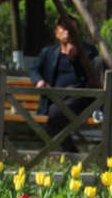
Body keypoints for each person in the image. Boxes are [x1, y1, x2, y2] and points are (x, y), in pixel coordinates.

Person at [30, 14, 101, 152]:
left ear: (78, 32)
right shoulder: (48, 52)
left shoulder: (88, 51)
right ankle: (73, 157)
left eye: (71, 29)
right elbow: (34, 69)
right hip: (56, 99)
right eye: (64, 28)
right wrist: (38, 80)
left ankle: (70, 157)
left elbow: (91, 77)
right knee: (54, 117)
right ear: (56, 33)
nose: (68, 32)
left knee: (55, 114)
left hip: (81, 100)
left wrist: (76, 58)